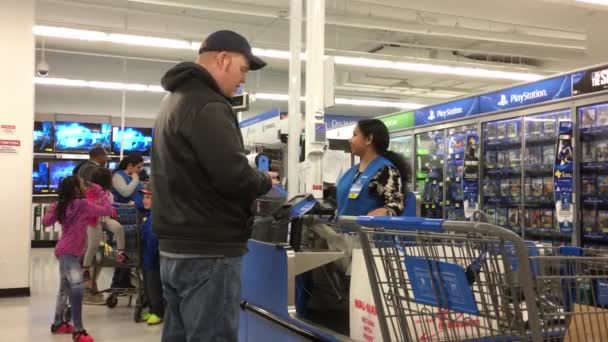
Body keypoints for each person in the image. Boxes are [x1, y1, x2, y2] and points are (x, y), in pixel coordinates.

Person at [152, 30, 277, 342]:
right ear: (223, 59)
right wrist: (264, 179)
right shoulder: (208, 104)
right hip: (208, 252)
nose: (243, 80)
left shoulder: (172, 101)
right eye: (243, 70)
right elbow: (234, 176)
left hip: (174, 248)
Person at [42, 175, 114, 342]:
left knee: (65, 289)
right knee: (77, 287)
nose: (85, 186)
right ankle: (79, 331)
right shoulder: (82, 204)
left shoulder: (62, 205)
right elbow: (107, 210)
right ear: (76, 189)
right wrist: (100, 191)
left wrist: (53, 208)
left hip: (64, 251)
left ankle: (58, 324)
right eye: (82, 184)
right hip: (69, 253)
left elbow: (46, 222)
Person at [336, 118, 411, 217]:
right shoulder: (350, 172)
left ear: (368, 139)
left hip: (367, 231)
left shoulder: (385, 170)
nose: (350, 140)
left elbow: (396, 204)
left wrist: (384, 212)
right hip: (342, 231)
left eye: (355, 135)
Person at [82, 168, 128, 305]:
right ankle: (86, 271)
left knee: (119, 228)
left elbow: (111, 206)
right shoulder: (91, 192)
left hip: (105, 218)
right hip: (93, 221)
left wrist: (120, 206)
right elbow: (90, 206)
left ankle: (121, 254)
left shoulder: (108, 193)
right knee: (93, 245)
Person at [110, 153, 145, 289]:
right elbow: (125, 192)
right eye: (138, 167)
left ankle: (124, 281)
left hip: (136, 215)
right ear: (130, 165)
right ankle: (118, 282)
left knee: (131, 249)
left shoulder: (133, 176)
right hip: (124, 216)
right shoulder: (118, 176)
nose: (140, 170)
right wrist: (135, 180)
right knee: (124, 249)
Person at [139, 184, 164, 325]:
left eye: (148, 197)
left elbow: (153, 242)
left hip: (154, 261)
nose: (144, 200)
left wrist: (147, 260)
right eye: (144, 197)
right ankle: (152, 309)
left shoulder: (156, 218)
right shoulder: (149, 216)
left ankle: (158, 312)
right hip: (147, 260)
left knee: (155, 287)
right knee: (148, 286)